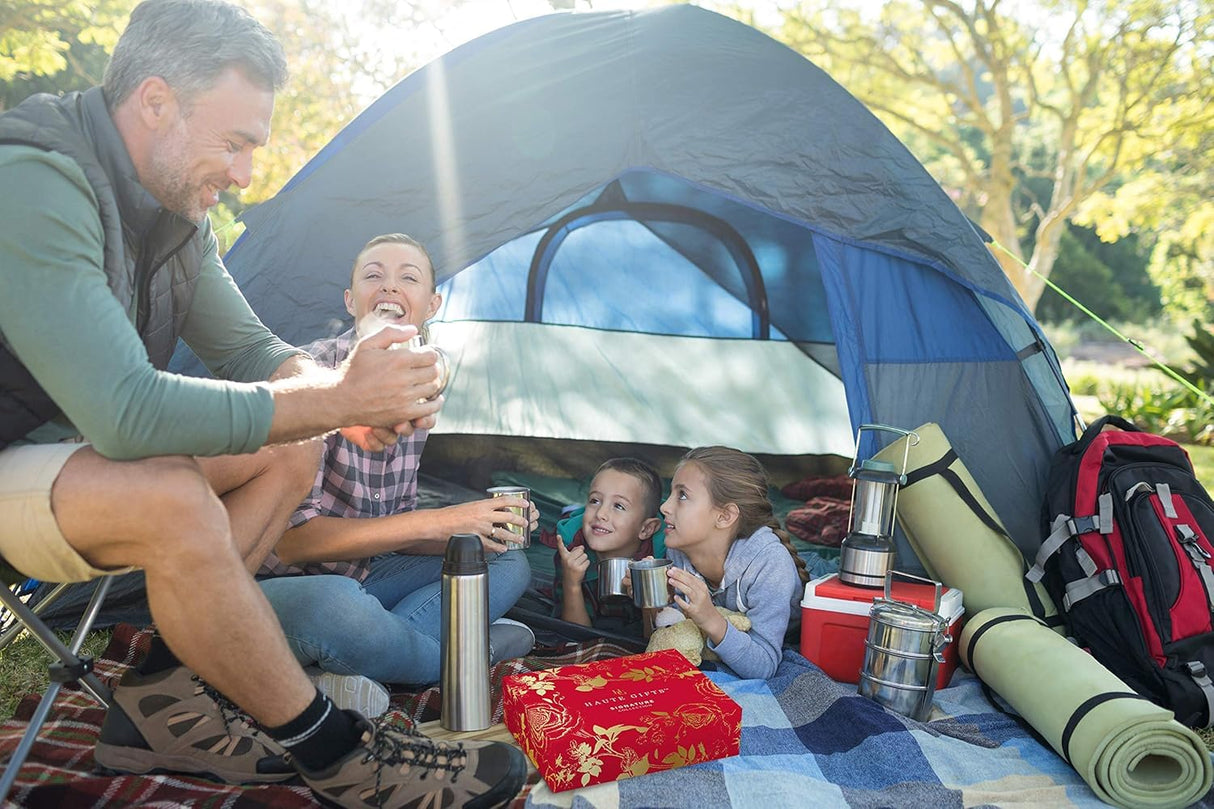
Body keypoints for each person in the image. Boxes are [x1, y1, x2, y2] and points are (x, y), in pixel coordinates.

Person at [0, 2, 525, 807]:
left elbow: (255, 354)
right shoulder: (34, 180)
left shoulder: (175, 217)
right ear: (155, 102)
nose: (246, 174)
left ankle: (168, 690)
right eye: (236, 142)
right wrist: (335, 396)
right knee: (173, 496)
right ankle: (334, 751)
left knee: (292, 443)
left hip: (61, 457)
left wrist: (345, 404)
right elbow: (125, 414)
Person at [257, 233, 535, 715]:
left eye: (408, 277)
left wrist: (475, 528)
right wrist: (442, 521)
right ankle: (474, 652)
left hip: (366, 573)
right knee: (338, 606)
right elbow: (290, 544)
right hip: (284, 585)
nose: (389, 286)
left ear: (431, 305)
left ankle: (363, 662)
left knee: (506, 563)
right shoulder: (310, 375)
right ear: (351, 301)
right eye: (374, 275)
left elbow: (393, 531)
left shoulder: (418, 384)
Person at [654, 446, 809, 680]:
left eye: (682, 495)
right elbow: (671, 631)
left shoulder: (770, 565)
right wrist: (652, 598)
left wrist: (710, 619)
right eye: (671, 493)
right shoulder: (678, 550)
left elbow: (764, 666)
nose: (664, 507)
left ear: (725, 516)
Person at [552, 457, 664, 635]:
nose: (601, 513)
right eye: (594, 501)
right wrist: (571, 583)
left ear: (646, 529)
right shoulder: (572, 550)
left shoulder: (661, 559)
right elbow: (575, 635)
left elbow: (656, 641)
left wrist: (647, 597)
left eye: (618, 506)